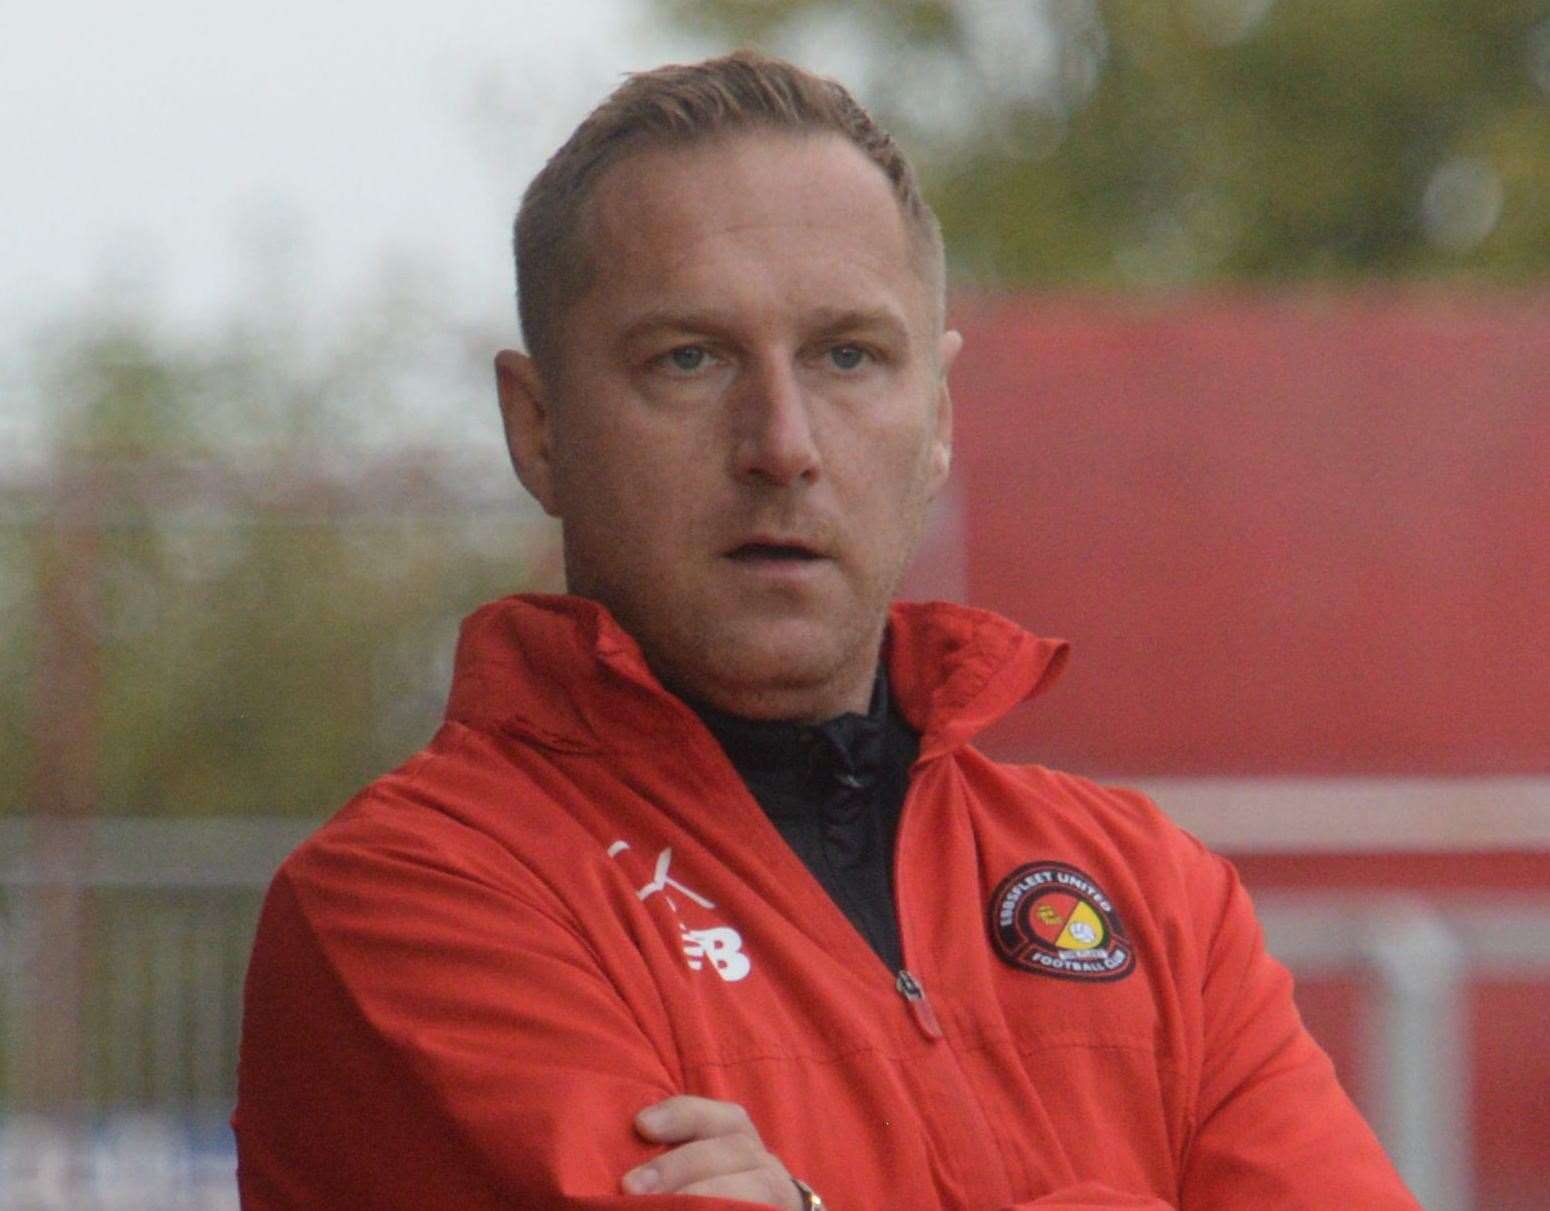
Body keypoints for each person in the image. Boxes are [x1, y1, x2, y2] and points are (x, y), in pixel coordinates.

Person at [234, 52, 1421, 1210]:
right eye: (689, 359)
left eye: (847, 355)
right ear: (537, 428)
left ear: (938, 416)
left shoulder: (1152, 895)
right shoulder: (413, 903)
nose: (783, 441)